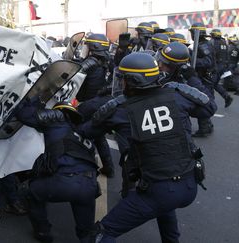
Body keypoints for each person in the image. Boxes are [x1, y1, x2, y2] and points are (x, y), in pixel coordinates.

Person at [78, 52, 215, 243]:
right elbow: (209, 108)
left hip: (157, 190)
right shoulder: (176, 95)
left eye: (123, 79)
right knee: (165, 208)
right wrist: (189, 79)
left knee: (99, 234)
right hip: (189, 184)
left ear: (131, 81)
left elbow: (87, 131)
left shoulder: (120, 109)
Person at [16, 99, 100, 243]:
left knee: (27, 191)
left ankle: (43, 232)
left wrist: (28, 100)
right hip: (90, 185)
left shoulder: (57, 120)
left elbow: (24, 115)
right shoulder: (82, 136)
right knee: (86, 233)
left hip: (66, 181)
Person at [76, 33, 115, 177]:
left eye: (87, 45)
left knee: (82, 137)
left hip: (90, 104)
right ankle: (109, 167)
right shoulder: (107, 60)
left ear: (94, 47)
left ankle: (88, 172)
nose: (84, 48)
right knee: (99, 136)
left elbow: (75, 75)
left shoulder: (92, 63)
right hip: (103, 102)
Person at [189, 22, 217, 137]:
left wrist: (192, 61)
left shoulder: (203, 45)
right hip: (206, 77)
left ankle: (204, 128)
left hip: (205, 78)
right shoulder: (202, 44)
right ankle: (208, 126)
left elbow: (207, 62)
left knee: (202, 102)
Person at [210, 29, 233, 108]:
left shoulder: (213, 42)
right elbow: (227, 55)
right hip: (223, 66)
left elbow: (212, 56)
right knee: (215, 84)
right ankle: (227, 97)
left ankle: (210, 103)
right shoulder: (224, 42)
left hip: (216, 67)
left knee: (210, 84)